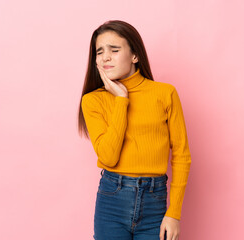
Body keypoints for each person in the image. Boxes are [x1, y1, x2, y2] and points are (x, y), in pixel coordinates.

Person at [78, 20, 191, 240]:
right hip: (112, 199)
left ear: (134, 55)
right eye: (99, 52)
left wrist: (174, 213)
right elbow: (108, 157)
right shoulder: (92, 100)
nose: (105, 57)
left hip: (155, 200)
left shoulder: (164, 94)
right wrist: (122, 100)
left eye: (114, 49)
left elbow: (181, 155)